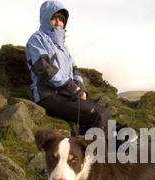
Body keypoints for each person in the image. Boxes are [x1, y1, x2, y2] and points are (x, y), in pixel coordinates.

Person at [26, 1, 111, 136]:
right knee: (99, 115)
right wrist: (71, 87)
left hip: (66, 93)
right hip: (48, 95)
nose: (58, 22)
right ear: (45, 19)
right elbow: (44, 70)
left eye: (61, 19)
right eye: (54, 18)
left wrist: (81, 88)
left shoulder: (64, 48)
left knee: (105, 114)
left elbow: (74, 70)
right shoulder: (37, 39)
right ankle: (91, 155)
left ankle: (89, 148)